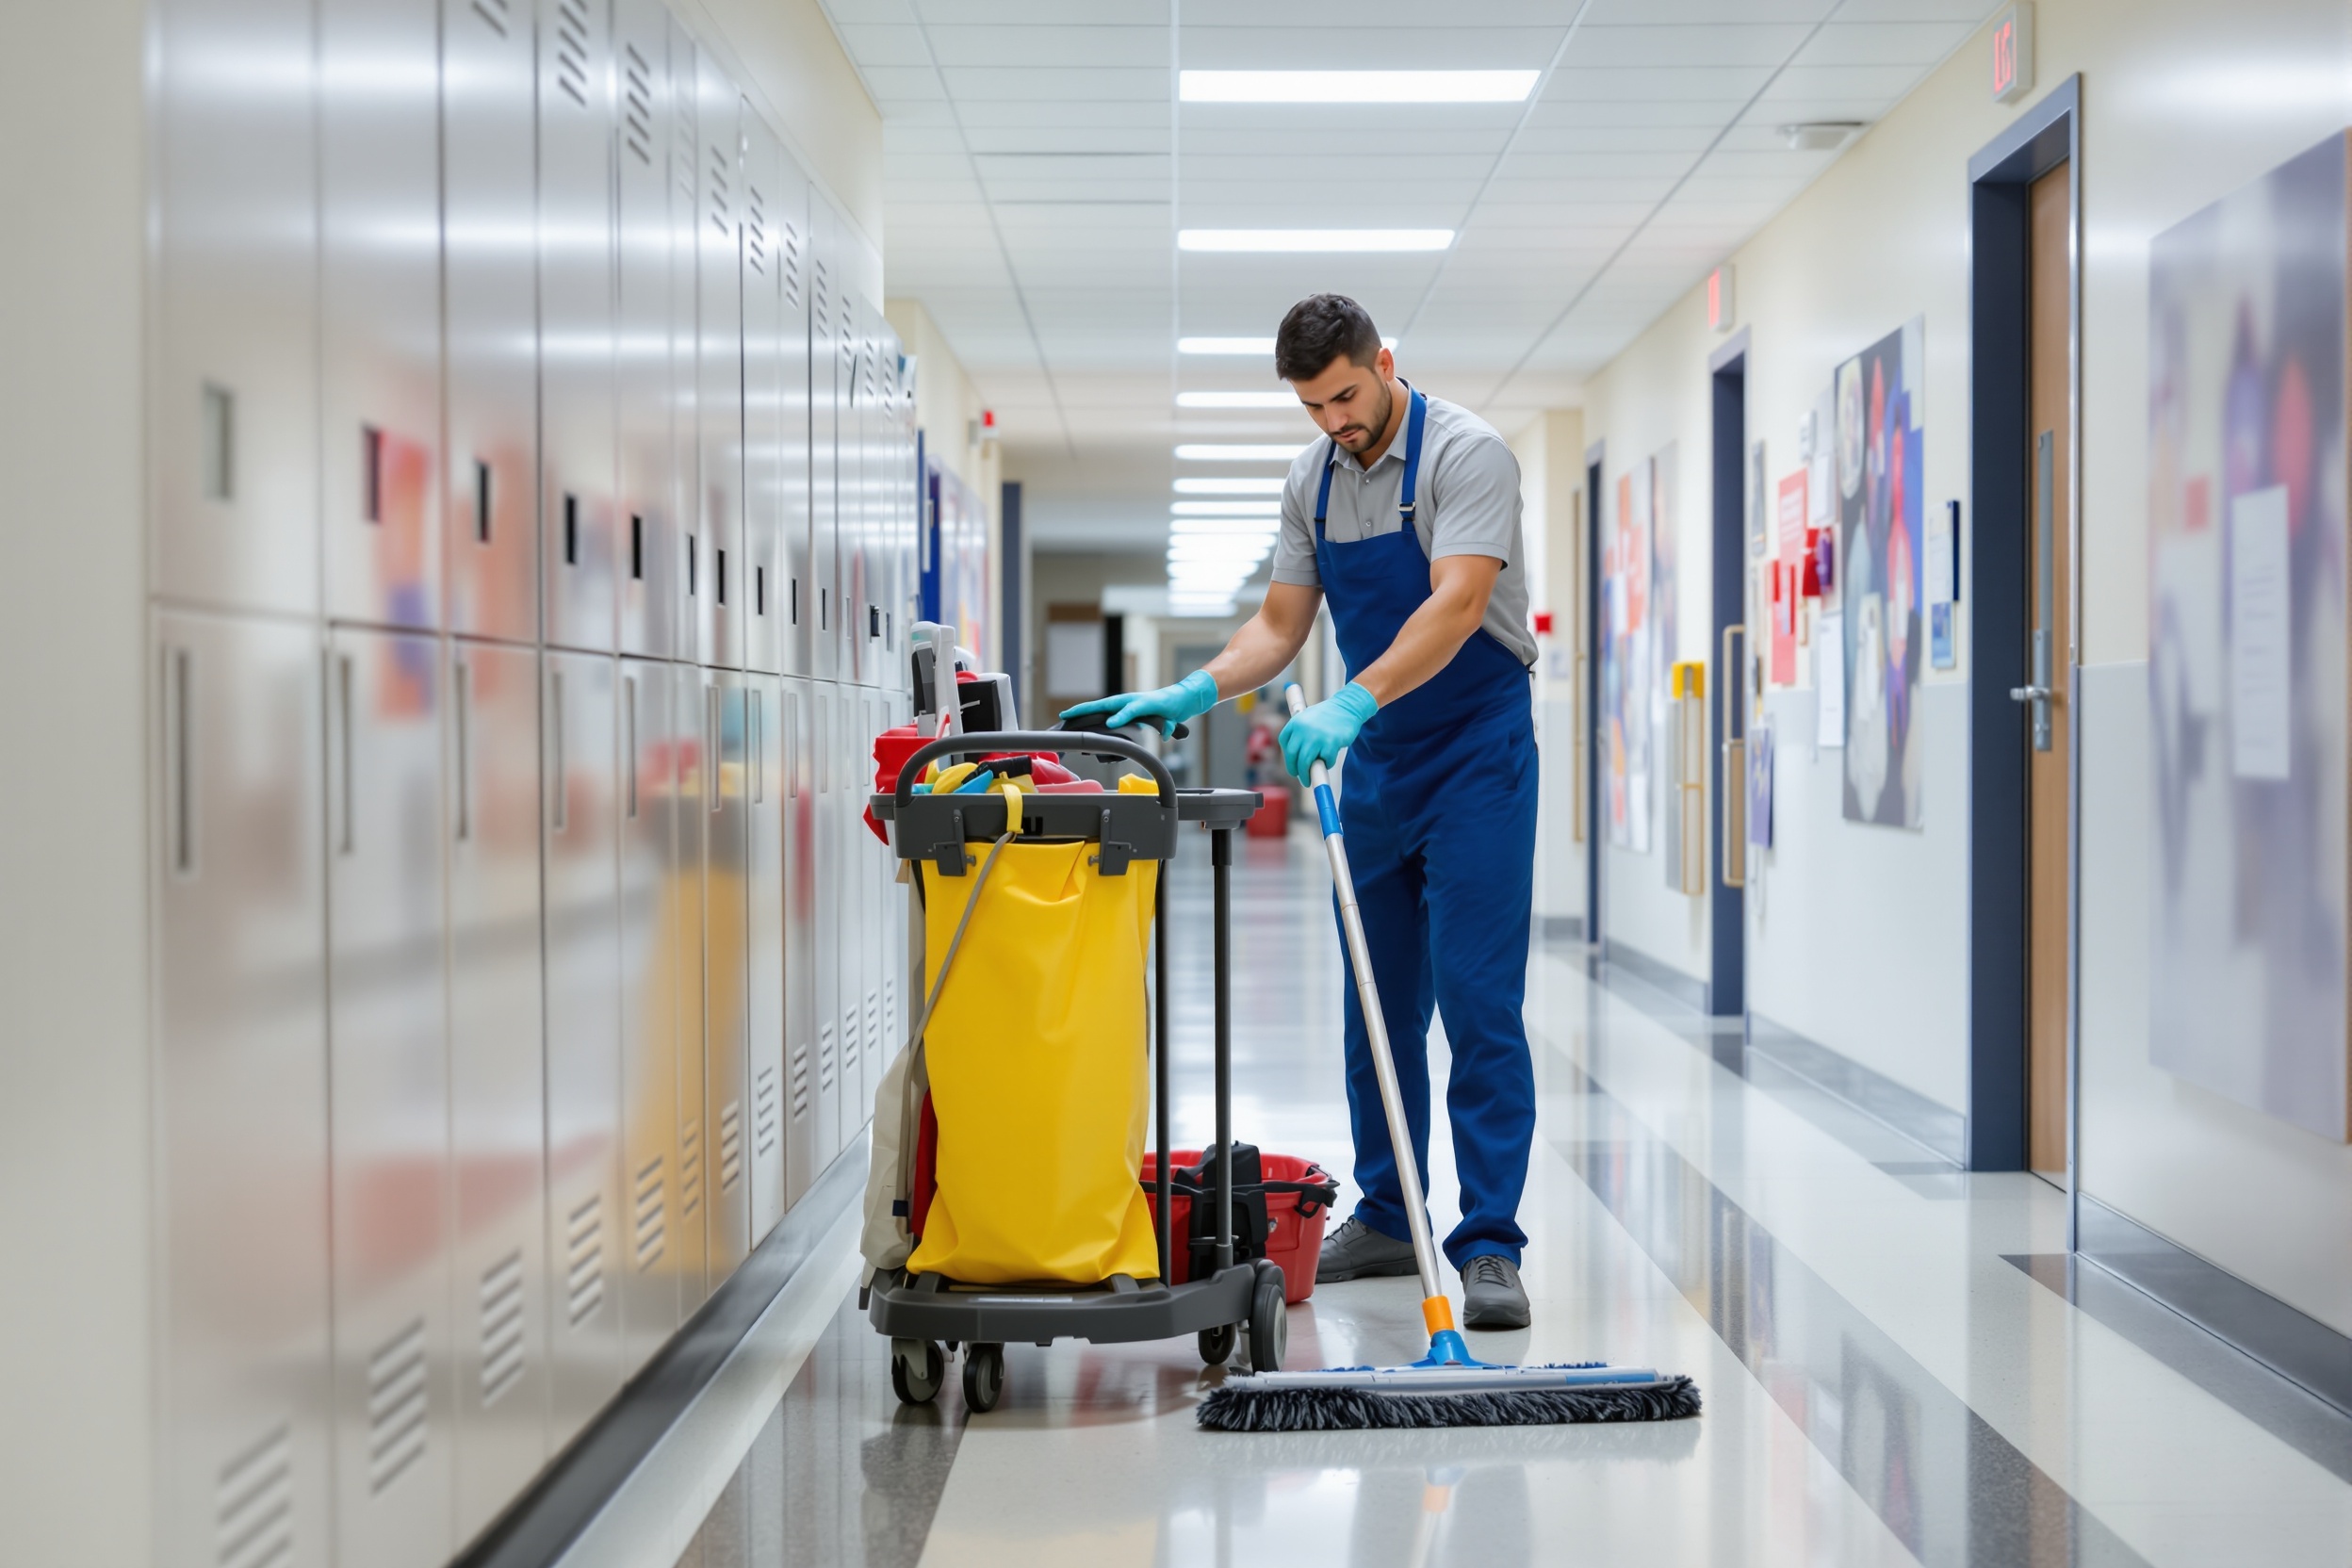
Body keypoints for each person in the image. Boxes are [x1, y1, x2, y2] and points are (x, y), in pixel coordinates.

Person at [1064, 294, 1538, 1329]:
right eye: (1314, 405)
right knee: (1377, 1006)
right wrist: (1198, 689)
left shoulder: (1468, 454)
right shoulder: (1311, 480)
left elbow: (1458, 602)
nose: (1335, 421)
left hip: (1476, 757)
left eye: (1346, 396)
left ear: (1385, 361)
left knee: (1476, 998)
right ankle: (1384, 1212)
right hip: (1372, 765)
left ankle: (1490, 1241)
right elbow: (1281, 625)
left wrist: (1359, 694)